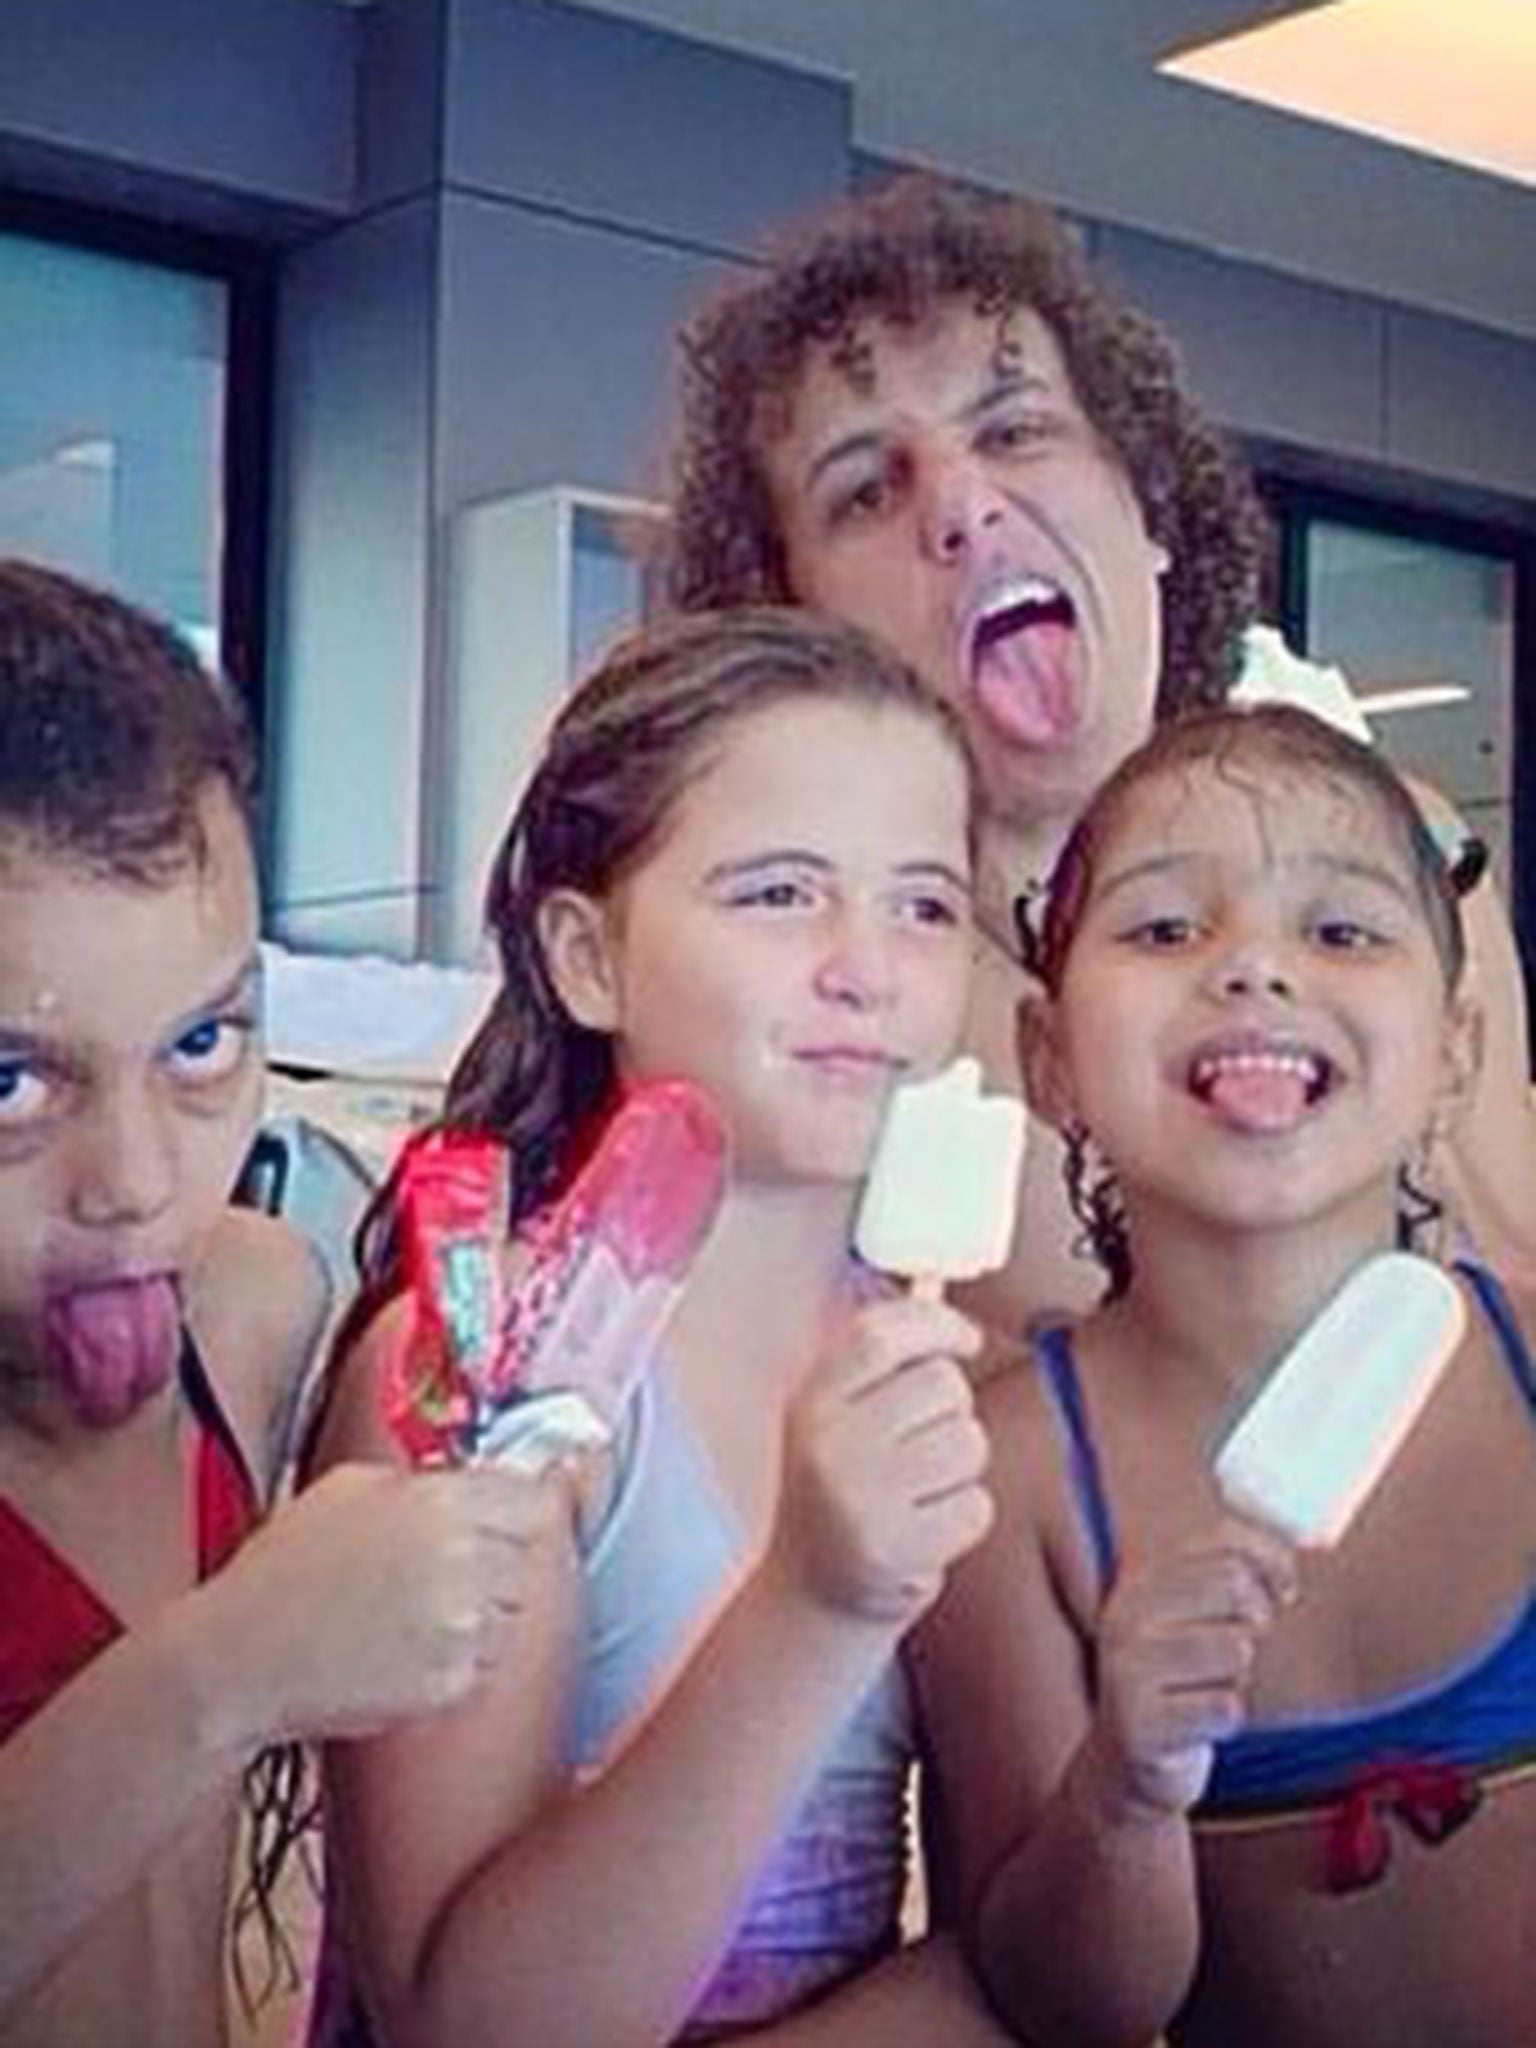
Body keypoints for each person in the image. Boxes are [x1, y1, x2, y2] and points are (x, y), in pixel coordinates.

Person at [310, 607, 1010, 2046]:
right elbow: (465, 2018)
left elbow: (1016, 1961)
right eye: (778, 895)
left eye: (925, 905)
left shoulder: (952, 1374)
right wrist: (816, 1606)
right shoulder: (477, 1378)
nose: (867, 967)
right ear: (589, 958)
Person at [662, 171, 1536, 1320]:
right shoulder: (841, 989)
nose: (961, 504)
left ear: (1153, 512)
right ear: (795, 617)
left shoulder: (1413, 852)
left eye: (1017, 429)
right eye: (869, 488)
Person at [0, 561, 574, 2048]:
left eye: (202, 1043)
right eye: (9, 1082)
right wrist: (233, 1666)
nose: (133, 1182)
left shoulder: (250, 1318)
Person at [909, 703, 1536, 2048]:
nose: (1253, 968)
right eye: (1164, 929)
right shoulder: (1000, 1481)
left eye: (1342, 930)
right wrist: (1123, 1790)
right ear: (1051, 1060)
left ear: (1456, 1054)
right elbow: (1062, 2009)